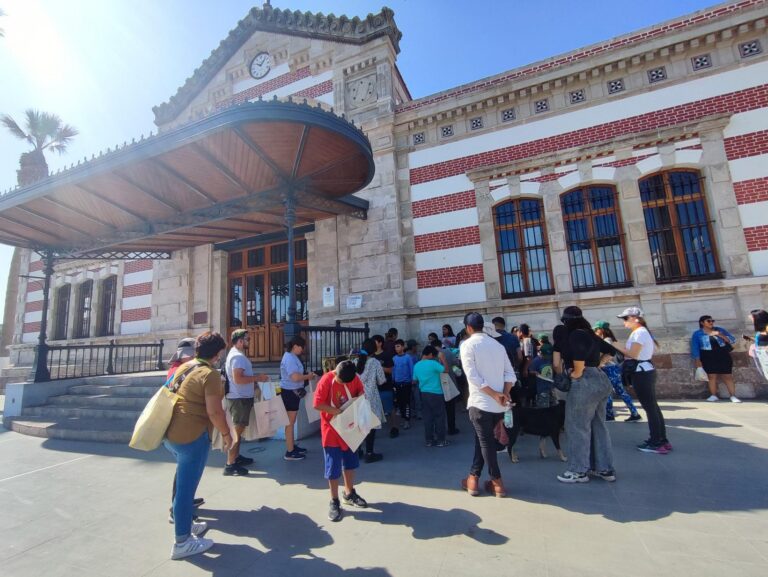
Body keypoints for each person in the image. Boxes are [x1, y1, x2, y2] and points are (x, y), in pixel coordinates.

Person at [164, 331, 232, 560]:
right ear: (217, 353)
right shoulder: (209, 374)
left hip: (171, 435)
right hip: (191, 437)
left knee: (183, 485)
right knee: (186, 490)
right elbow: (215, 411)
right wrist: (226, 434)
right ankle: (182, 541)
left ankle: (184, 525)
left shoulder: (185, 366)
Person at [553, 307, 616, 483]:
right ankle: (605, 468)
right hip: (600, 379)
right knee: (598, 425)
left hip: (584, 381)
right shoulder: (590, 334)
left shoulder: (574, 335)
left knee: (576, 427)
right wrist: (599, 364)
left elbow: (573, 363)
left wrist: (576, 373)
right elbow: (611, 351)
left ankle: (578, 471)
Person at [459, 312, 516, 498]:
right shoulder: (497, 345)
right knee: (482, 440)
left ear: (468, 328)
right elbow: (510, 374)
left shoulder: (467, 345)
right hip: (499, 404)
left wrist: (495, 394)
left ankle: (497, 481)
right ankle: (473, 478)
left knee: (485, 442)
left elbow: (473, 376)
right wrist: (504, 393)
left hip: (480, 402)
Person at [313, 360, 369, 522]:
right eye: (336, 376)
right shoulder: (326, 380)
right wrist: (337, 412)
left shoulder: (355, 379)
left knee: (351, 462)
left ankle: (349, 492)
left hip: (350, 426)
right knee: (333, 467)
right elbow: (317, 404)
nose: (336, 379)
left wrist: (353, 405)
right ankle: (334, 500)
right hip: (331, 429)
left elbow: (361, 394)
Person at [615, 306, 671, 455]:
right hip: (645, 371)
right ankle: (661, 439)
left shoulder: (639, 332)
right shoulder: (641, 332)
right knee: (653, 407)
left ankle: (656, 442)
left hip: (642, 372)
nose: (624, 322)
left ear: (636, 319)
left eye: (626, 319)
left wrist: (613, 344)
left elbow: (633, 354)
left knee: (650, 408)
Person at [165, 337, 205, 521]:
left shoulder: (178, 368)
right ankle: (177, 508)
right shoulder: (179, 371)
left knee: (185, 470)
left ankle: (185, 500)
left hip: (182, 426)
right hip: (181, 427)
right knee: (184, 470)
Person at [223, 329, 270, 476]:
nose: (249, 341)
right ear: (240, 341)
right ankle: (230, 464)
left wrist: (254, 383)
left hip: (241, 397)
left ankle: (236, 457)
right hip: (239, 399)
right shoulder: (237, 357)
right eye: (247, 339)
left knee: (239, 430)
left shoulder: (237, 355)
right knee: (236, 432)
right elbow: (238, 379)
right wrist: (258, 378)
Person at [593, 321, 642, 422]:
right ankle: (631, 413)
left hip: (608, 368)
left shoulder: (606, 341)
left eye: (595, 330)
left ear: (600, 330)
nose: (595, 332)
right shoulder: (611, 339)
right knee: (616, 392)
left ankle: (613, 415)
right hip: (613, 368)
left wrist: (599, 363)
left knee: (612, 392)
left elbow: (607, 355)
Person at [279, 335, 318, 461]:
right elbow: (295, 377)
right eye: (301, 347)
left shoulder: (292, 357)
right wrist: (308, 377)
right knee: (290, 423)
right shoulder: (290, 358)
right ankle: (290, 452)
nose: (302, 350)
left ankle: (291, 447)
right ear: (295, 346)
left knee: (291, 422)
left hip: (292, 392)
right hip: (290, 393)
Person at [691, 315, 740, 403]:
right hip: (707, 355)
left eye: (712, 321)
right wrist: (697, 360)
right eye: (708, 321)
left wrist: (720, 335)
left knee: (727, 375)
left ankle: (733, 395)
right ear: (702, 323)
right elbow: (695, 347)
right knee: (711, 376)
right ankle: (713, 395)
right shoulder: (698, 333)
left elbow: (732, 340)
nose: (711, 322)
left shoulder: (720, 330)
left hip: (722, 354)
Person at [355, 338, 386, 463]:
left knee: (359, 425)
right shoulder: (375, 362)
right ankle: (369, 452)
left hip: (357, 397)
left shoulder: (355, 361)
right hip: (371, 397)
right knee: (370, 426)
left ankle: (357, 451)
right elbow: (381, 380)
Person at [413, 345, 450, 447]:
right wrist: (443, 359)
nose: (433, 357)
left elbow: (414, 379)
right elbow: (446, 370)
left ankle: (429, 440)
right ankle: (441, 440)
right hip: (436, 393)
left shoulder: (416, 365)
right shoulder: (433, 364)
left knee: (428, 418)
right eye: (433, 355)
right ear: (429, 354)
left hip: (423, 393)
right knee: (439, 417)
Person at [391, 339, 415, 433]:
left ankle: (407, 420)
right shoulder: (394, 358)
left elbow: (411, 368)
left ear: (403, 347)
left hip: (406, 383)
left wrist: (413, 379)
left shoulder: (408, 357)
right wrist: (393, 380)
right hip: (397, 383)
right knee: (400, 402)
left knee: (407, 402)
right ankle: (403, 417)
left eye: (398, 346)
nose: (396, 348)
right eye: (395, 347)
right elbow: (393, 370)